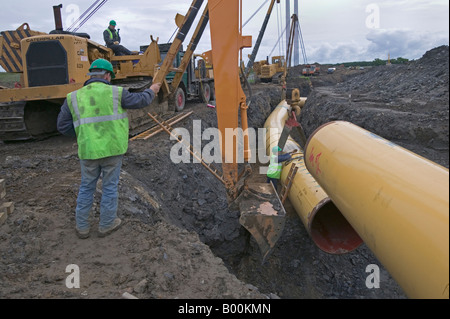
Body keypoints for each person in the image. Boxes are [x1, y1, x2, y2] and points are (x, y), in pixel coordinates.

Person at [57, 58, 162, 239]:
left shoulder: (73, 97)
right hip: (113, 150)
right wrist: (152, 91)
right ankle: (106, 224)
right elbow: (141, 101)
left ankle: (82, 227)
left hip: (88, 150)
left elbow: (63, 126)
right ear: (107, 76)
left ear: (90, 75)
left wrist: (84, 133)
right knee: (110, 187)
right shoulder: (116, 93)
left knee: (86, 187)